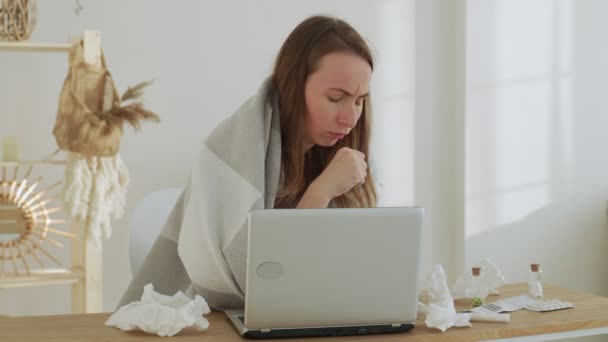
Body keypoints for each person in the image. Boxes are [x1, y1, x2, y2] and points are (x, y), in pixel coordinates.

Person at [118, 15, 377, 310]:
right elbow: (256, 281)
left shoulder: (342, 158)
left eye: (359, 101)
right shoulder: (227, 151)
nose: (350, 118)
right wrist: (320, 193)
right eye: (335, 98)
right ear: (294, 87)